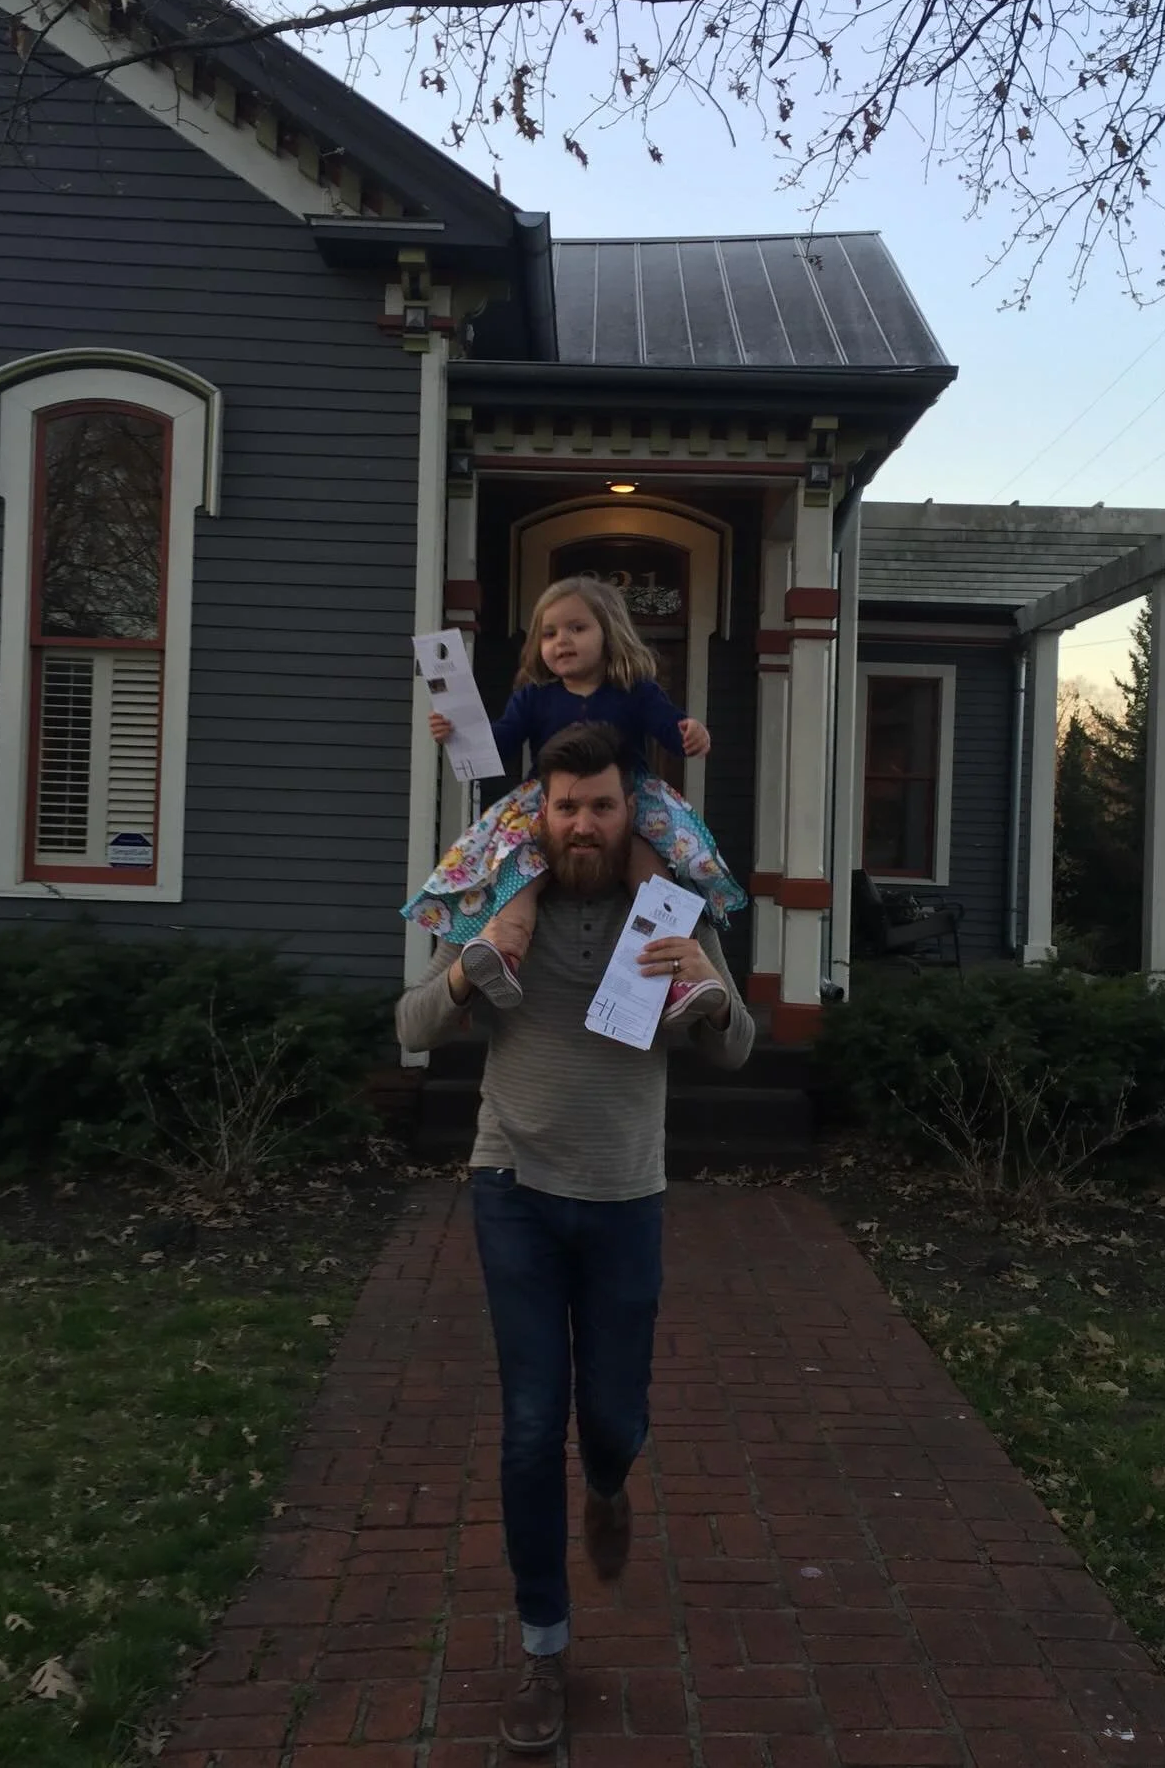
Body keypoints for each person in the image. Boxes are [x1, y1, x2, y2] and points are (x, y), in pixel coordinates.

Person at [396, 721, 755, 1755]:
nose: (584, 825)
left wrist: (710, 983)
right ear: (538, 816)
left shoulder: (669, 909)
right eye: (566, 809)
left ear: (628, 813)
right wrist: (469, 971)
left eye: (602, 806)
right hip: (511, 1186)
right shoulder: (501, 906)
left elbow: (732, 1048)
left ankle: (608, 1482)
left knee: (608, 1417)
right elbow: (411, 1025)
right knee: (525, 1426)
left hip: (625, 1196)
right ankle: (543, 1653)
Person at [401, 576, 746, 1021]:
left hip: (627, 805)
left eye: (576, 628)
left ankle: (675, 979)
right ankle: (503, 952)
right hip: (548, 804)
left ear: (609, 632)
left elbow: (672, 731)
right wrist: (457, 734)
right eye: (549, 633)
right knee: (521, 870)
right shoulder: (533, 698)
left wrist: (693, 732)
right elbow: (498, 745)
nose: (561, 641)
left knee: (654, 880)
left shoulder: (635, 690)